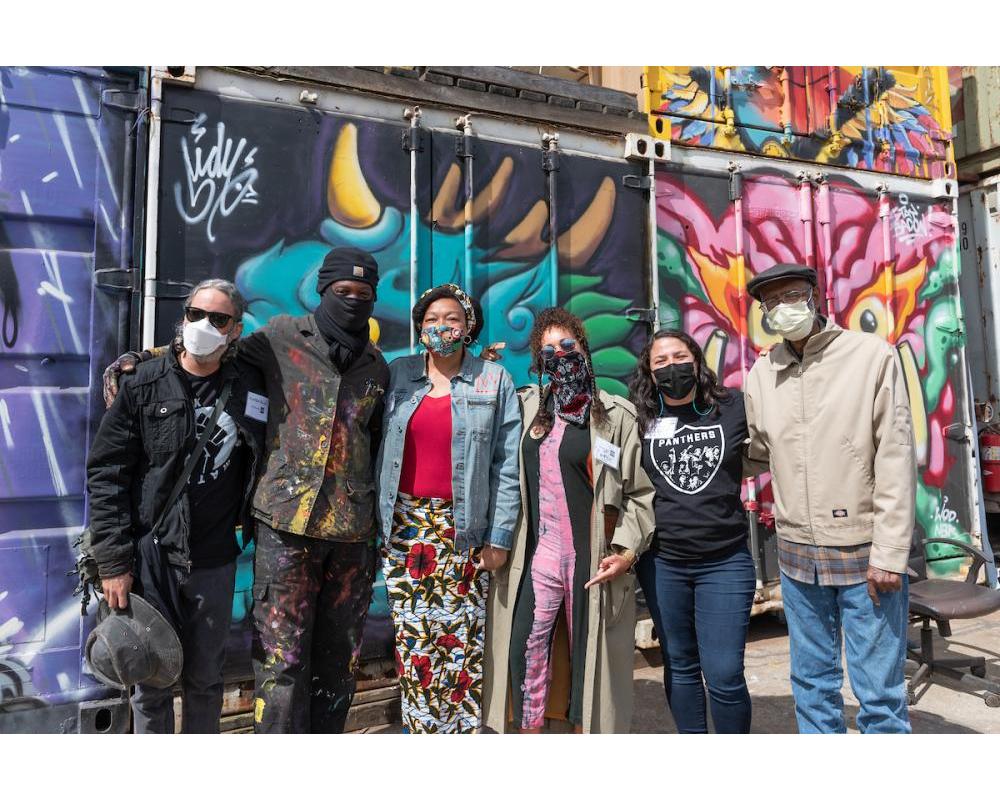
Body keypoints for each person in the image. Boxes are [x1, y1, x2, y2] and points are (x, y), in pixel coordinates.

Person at [101, 246, 389, 733]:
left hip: (350, 535)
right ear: (323, 291)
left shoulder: (377, 367)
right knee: (280, 667)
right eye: (342, 291)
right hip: (284, 527)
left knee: (338, 665)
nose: (352, 301)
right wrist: (143, 358)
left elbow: (380, 444)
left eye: (363, 294)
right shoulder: (279, 338)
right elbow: (207, 353)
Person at [744, 262, 916, 734]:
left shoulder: (870, 357)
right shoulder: (764, 370)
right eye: (771, 302)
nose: (783, 309)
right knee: (812, 686)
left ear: (816, 298)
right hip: (798, 557)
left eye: (792, 296)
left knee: (878, 694)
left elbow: (896, 458)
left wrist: (890, 553)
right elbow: (756, 451)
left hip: (865, 556)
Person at [86, 279, 266, 733]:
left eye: (218, 319)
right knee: (151, 684)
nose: (204, 325)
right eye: (195, 314)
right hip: (152, 559)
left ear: (236, 330)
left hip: (215, 559)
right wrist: (113, 562)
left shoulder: (249, 387)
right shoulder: (142, 383)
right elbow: (108, 475)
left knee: (206, 682)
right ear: (182, 319)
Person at [482, 307, 655, 733]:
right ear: (538, 362)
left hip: (591, 556)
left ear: (583, 348)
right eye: (547, 351)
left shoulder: (615, 417)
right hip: (539, 554)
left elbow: (640, 493)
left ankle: (584, 730)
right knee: (526, 643)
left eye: (567, 346)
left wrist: (626, 551)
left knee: (588, 650)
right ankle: (528, 728)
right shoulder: (525, 409)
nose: (559, 356)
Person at [375, 283, 520, 733]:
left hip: (461, 530)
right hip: (404, 529)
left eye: (452, 319)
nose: (442, 327)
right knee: (415, 642)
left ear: (469, 327)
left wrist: (498, 539)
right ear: (420, 328)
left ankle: (459, 736)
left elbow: (507, 465)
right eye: (432, 319)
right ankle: (421, 734)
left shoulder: (494, 381)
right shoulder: (397, 375)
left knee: (459, 645)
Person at [628, 329, 757, 733]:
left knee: (724, 674)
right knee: (680, 667)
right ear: (649, 373)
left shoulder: (732, 406)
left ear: (696, 360)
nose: (671, 367)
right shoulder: (639, 419)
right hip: (663, 563)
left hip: (725, 560)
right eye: (660, 362)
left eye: (679, 357)